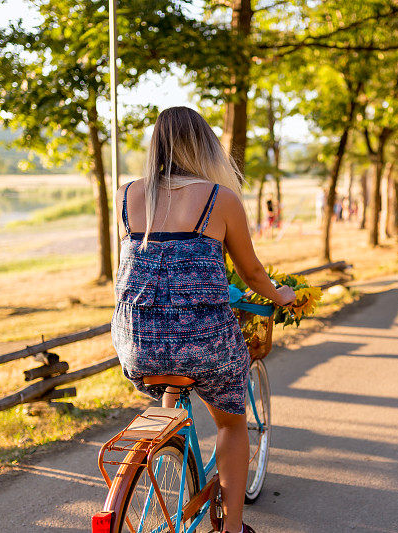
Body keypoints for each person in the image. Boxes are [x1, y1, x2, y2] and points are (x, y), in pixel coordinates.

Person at [111, 106, 296, 533]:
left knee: (170, 376)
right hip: (202, 342)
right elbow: (251, 274)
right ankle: (231, 529)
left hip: (136, 341)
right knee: (231, 422)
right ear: (205, 146)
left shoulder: (127, 195)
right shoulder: (219, 198)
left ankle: (172, 444)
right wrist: (281, 295)